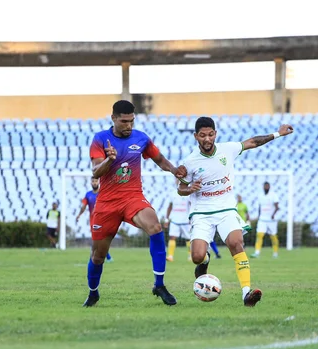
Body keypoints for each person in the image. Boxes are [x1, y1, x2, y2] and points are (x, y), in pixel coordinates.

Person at [178, 116, 294, 307]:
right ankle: (204, 261)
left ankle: (246, 293)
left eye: (210, 134)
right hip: (202, 213)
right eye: (202, 135)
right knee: (197, 256)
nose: (207, 139)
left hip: (226, 209)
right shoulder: (189, 162)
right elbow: (180, 189)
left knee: (236, 243)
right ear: (195, 136)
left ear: (215, 134)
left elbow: (253, 142)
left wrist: (277, 134)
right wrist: (189, 189)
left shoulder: (228, 149)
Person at [83, 100, 186, 307]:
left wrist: (175, 170)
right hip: (107, 203)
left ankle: (159, 284)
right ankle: (93, 292)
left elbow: (161, 160)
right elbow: (95, 171)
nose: (129, 125)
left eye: (131, 121)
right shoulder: (100, 139)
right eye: (124, 121)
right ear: (113, 118)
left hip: (132, 197)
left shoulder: (141, 138)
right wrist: (109, 160)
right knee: (98, 256)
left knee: (155, 227)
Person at [164, 188, 221, 262]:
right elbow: (170, 206)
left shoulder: (188, 193)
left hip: (186, 220)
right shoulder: (173, 193)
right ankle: (170, 256)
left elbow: (192, 205)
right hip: (174, 220)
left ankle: (190, 255)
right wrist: (167, 219)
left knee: (189, 239)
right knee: (172, 237)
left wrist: (192, 217)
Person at [76, 176, 113, 262]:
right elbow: (83, 206)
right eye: (93, 181)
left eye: (96, 181)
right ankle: (105, 257)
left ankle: (101, 257)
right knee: (97, 239)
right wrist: (79, 215)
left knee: (102, 239)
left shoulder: (103, 193)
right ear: (91, 183)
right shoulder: (88, 195)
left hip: (104, 219)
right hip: (93, 221)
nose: (94, 183)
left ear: (99, 182)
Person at [251, 182, 280, 258]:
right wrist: (259, 216)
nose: (266, 187)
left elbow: (277, 207)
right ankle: (257, 252)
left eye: (267, 186)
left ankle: (275, 253)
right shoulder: (260, 195)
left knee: (273, 236)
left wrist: (273, 215)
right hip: (262, 219)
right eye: (265, 186)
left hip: (271, 220)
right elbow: (260, 207)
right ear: (263, 187)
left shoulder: (274, 195)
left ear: (269, 187)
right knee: (259, 235)